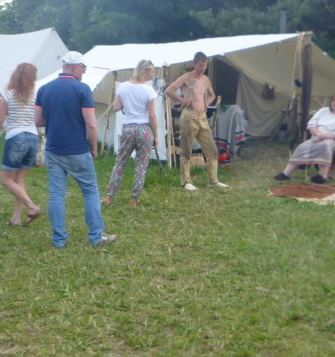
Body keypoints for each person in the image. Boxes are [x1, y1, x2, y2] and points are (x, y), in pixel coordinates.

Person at [34, 51, 114, 247]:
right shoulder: (82, 89)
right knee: (90, 191)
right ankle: (96, 236)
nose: (84, 73)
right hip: (77, 149)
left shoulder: (44, 89)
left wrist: (55, 120)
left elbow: (37, 120)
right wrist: (94, 148)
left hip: (53, 149)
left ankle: (59, 239)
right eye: (83, 69)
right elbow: (92, 124)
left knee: (56, 194)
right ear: (76, 67)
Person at [0, 62, 42, 227]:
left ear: (15, 75)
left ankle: (32, 206)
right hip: (33, 137)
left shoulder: (8, 95)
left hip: (16, 138)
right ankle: (16, 218)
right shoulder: (36, 95)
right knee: (19, 180)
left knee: (5, 180)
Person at [165, 51, 228, 191]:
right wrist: (182, 100)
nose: (203, 68)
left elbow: (212, 94)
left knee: (212, 149)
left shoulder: (205, 79)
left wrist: (206, 103)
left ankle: (213, 180)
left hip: (203, 117)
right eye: (201, 65)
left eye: (205, 65)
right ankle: (186, 181)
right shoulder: (186, 77)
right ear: (194, 63)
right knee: (186, 149)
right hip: (189, 116)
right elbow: (169, 90)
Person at [104, 59, 158, 207]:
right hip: (144, 130)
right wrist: (156, 135)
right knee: (141, 164)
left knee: (120, 162)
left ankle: (110, 196)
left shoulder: (123, 87)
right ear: (145, 71)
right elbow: (152, 115)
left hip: (128, 128)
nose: (153, 75)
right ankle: (134, 197)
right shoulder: (149, 90)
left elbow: (116, 107)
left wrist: (127, 106)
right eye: (151, 71)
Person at [274, 91, 335, 183]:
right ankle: (285, 174)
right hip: (317, 137)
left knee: (326, 145)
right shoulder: (323, 111)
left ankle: (322, 176)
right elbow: (311, 124)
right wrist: (318, 133)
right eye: (334, 101)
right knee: (302, 147)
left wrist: (324, 136)